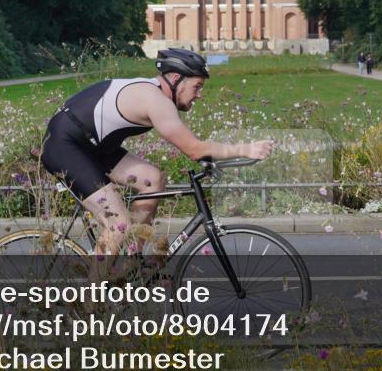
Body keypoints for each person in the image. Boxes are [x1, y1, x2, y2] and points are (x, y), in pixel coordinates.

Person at [40, 48, 273, 257]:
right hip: (65, 146)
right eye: (197, 86)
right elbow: (194, 149)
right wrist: (246, 149)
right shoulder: (155, 99)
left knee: (153, 179)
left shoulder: (154, 93)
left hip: (93, 145)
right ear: (175, 79)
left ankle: (131, 261)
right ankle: (90, 301)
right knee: (118, 222)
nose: (199, 94)